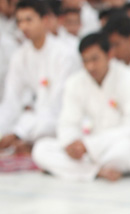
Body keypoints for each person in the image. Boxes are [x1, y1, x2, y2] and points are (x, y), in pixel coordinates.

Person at [32, 32, 130, 181]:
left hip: (114, 145)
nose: (90, 66)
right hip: (84, 150)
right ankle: (97, 171)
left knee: (126, 152)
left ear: (109, 54)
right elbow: (68, 123)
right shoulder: (75, 82)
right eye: (85, 61)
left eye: (95, 59)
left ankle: (74, 170)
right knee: (41, 149)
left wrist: (90, 145)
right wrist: (71, 144)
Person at [0, 0, 79, 156]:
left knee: (44, 136)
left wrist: (19, 133)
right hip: (32, 121)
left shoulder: (64, 55)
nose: (23, 26)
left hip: (59, 119)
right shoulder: (20, 56)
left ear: (46, 20)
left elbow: (57, 106)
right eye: (20, 21)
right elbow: (11, 101)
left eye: (29, 20)